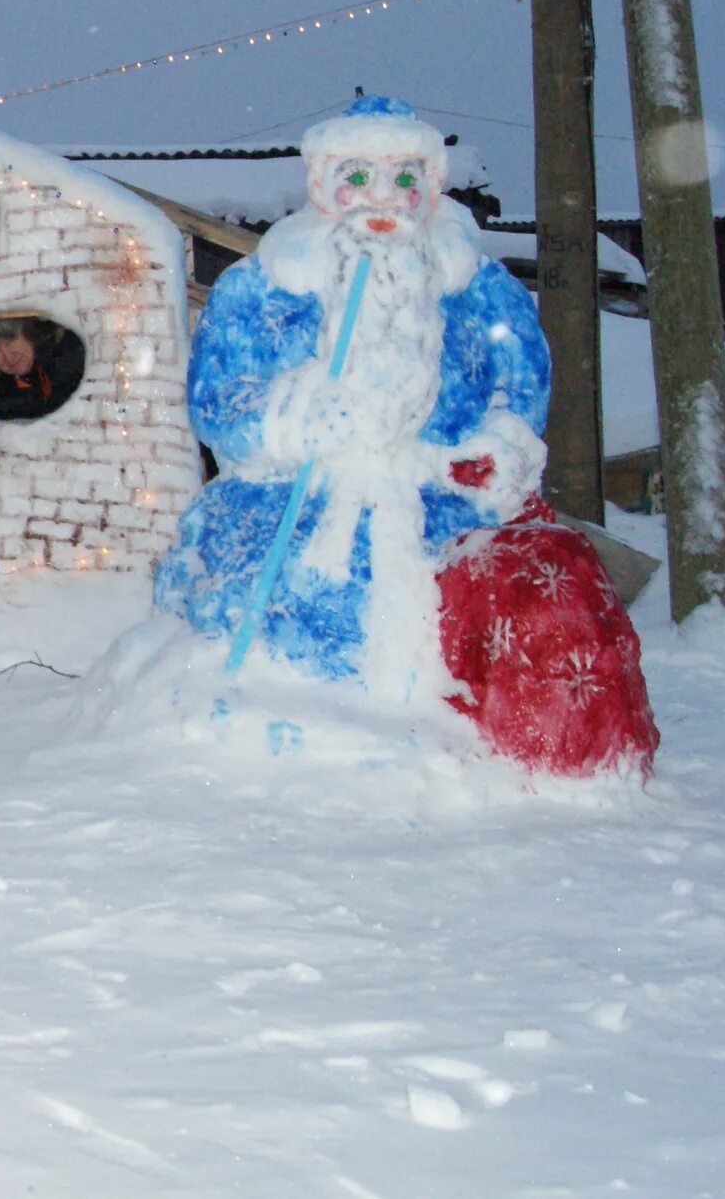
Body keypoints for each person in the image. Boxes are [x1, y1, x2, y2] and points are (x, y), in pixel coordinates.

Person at [149, 97, 655, 775]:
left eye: (403, 179)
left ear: (432, 185)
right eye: (357, 178)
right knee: (286, 610)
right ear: (321, 184)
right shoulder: (266, 284)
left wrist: (498, 441)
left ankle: (475, 736)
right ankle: (287, 732)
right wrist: (295, 416)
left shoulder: (478, 289)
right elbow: (217, 396)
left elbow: (520, 380)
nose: (379, 199)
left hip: (442, 502)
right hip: (297, 500)